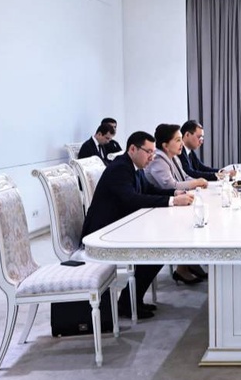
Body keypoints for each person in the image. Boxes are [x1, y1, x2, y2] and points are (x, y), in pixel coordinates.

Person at [82, 131, 195, 319]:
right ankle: (127, 304)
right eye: (148, 152)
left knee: (159, 248)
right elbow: (132, 199)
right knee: (156, 251)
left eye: (153, 152)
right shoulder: (120, 168)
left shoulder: (135, 165)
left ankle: (132, 301)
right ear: (132, 149)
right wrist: (172, 202)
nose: (152, 157)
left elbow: (148, 189)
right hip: (103, 232)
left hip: (120, 224)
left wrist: (174, 194)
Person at [145, 123, 210, 284]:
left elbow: (184, 178)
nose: (181, 144)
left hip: (171, 204)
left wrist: (197, 181)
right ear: (165, 145)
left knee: (200, 217)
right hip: (156, 211)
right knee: (191, 223)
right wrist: (196, 183)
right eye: (178, 140)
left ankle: (188, 264)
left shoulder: (173, 157)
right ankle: (184, 267)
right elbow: (171, 186)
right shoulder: (158, 160)